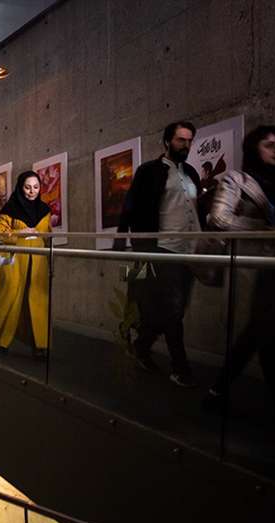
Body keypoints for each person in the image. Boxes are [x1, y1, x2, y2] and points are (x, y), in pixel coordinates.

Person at [206, 125, 275, 420]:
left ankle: (220, 392)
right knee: (260, 333)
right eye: (268, 144)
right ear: (254, 149)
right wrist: (262, 229)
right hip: (254, 269)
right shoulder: (237, 179)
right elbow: (219, 218)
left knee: (263, 335)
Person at [114, 121, 202, 387]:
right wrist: (122, 241)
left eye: (189, 140)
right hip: (162, 249)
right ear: (166, 142)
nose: (185, 145)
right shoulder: (149, 171)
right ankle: (180, 367)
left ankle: (142, 345)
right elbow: (131, 205)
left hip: (190, 252)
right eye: (180, 140)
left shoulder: (192, 174)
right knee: (173, 310)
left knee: (173, 309)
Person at [0, 171, 52, 356]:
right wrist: (20, 233)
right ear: (20, 187)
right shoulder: (9, 209)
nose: (32, 191)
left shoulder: (44, 210)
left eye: (36, 187)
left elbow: (48, 234)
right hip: (15, 259)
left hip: (39, 259)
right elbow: (1, 233)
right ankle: (3, 340)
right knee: (10, 296)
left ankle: (40, 344)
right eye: (27, 187)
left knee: (38, 299)